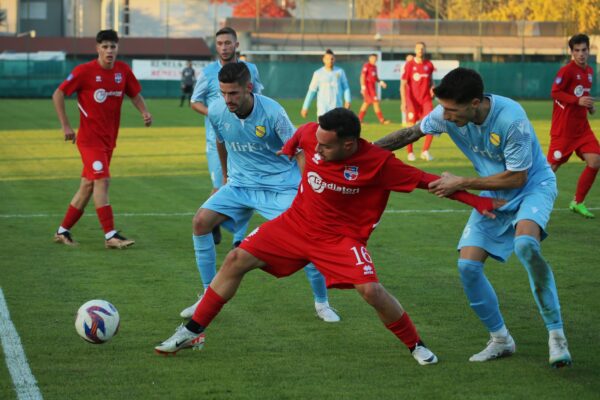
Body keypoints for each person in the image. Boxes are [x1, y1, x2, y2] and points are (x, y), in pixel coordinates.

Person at [155, 107, 502, 365]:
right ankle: (191, 332)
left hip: (340, 239)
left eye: (325, 148)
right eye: (315, 144)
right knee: (235, 260)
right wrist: (288, 148)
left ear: (350, 144)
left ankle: (416, 345)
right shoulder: (313, 135)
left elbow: (429, 182)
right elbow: (301, 136)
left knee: (371, 290)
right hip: (294, 224)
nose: (317, 151)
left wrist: (475, 199)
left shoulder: (379, 163)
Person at [374, 67, 572, 368]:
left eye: (452, 110)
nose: (446, 115)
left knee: (526, 246)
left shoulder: (511, 119)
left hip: (532, 186)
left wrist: (462, 182)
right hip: (491, 192)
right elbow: (410, 133)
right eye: (443, 108)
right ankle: (501, 340)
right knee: (467, 266)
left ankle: (556, 334)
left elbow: (518, 178)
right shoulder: (445, 115)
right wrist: (364, 153)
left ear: (476, 103)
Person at [179, 62, 340, 322]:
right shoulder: (218, 110)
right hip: (240, 184)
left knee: (309, 238)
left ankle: (322, 303)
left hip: (279, 186)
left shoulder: (273, 112)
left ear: (249, 88)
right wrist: (224, 177)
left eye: (233, 93)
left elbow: (299, 150)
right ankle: (207, 296)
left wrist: (309, 190)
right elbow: (221, 141)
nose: (227, 99)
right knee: (200, 222)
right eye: (223, 93)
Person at [51, 29, 152, 249]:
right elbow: (58, 94)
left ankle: (62, 231)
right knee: (102, 180)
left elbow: (134, 94)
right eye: (104, 46)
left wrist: (144, 111)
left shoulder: (123, 71)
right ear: (97, 48)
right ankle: (110, 236)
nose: (109, 50)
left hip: (109, 141)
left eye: (112, 46)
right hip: (89, 140)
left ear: (118, 48)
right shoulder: (84, 71)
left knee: (88, 185)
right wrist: (66, 126)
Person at [191, 27, 263, 247]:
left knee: (246, 184)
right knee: (221, 185)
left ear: (236, 45)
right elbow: (195, 101)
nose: (224, 47)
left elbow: (258, 98)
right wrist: (215, 114)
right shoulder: (208, 73)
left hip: (246, 140)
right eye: (220, 43)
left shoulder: (250, 69)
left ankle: (239, 238)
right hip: (217, 140)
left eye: (228, 43)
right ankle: (210, 223)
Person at [547, 33, 599, 219]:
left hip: (582, 129)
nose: (581, 54)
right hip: (564, 131)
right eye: (576, 51)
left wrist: (589, 106)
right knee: (548, 170)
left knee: (595, 161)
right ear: (572, 52)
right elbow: (555, 92)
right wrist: (577, 101)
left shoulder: (590, 72)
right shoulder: (566, 71)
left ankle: (577, 202)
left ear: (589, 50)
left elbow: (583, 96)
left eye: (584, 50)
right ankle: (521, 201)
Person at [401, 42, 435, 161]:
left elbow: (431, 80)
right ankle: (410, 152)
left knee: (431, 124)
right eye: (418, 48)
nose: (420, 50)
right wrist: (403, 101)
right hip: (412, 101)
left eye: (422, 48)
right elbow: (403, 84)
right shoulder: (409, 65)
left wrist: (432, 88)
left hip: (426, 100)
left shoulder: (429, 65)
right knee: (411, 127)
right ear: (415, 50)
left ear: (425, 50)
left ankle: (425, 151)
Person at [301, 49, 351, 118]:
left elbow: (346, 87)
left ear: (334, 59)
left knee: (336, 128)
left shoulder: (340, 72)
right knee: (322, 128)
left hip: (337, 107)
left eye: (332, 59)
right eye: (328, 59)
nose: (330, 60)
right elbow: (311, 91)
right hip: (323, 109)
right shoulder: (318, 73)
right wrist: (305, 107)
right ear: (324, 59)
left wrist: (348, 100)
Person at [357, 53, 390, 125]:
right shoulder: (366, 66)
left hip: (372, 88)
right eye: (372, 58)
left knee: (366, 103)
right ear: (369, 58)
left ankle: (359, 120)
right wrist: (363, 87)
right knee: (375, 102)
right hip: (368, 89)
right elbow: (362, 76)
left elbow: (375, 78)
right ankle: (382, 120)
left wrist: (381, 82)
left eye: (375, 59)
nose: (374, 60)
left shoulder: (374, 67)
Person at [401, 54, 414, 126]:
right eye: (409, 59)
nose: (410, 60)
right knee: (405, 104)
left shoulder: (415, 66)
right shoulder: (405, 67)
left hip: (414, 90)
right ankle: (404, 120)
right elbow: (403, 81)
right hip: (406, 88)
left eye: (411, 59)